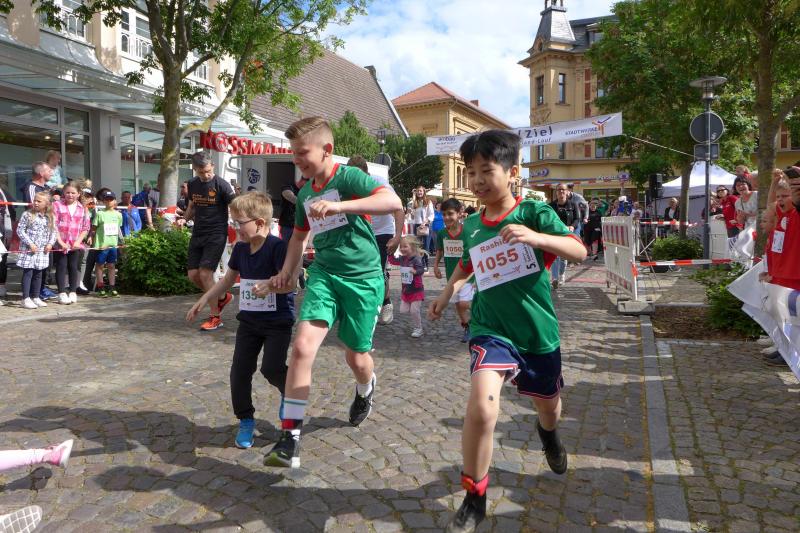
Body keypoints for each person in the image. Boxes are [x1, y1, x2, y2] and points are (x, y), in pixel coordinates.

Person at [427, 130, 586, 531]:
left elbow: (579, 250)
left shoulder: (533, 213)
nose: (477, 180)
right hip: (489, 327)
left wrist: (535, 237)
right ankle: (475, 496)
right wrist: (447, 293)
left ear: (512, 172)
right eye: (471, 172)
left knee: (548, 407)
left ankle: (549, 436)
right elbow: (467, 266)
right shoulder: (473, 224)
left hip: (536, 332)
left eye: (487, 170)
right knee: (482, 407)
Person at [261, 116, 401, 468]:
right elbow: (297, 238)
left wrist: (341, 205)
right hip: (324, 274)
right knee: (302, 347)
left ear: (327, 150)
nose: (297, 160)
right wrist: (288, 271)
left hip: (363, 279)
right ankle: (290, 437)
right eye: (293, 154)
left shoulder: (349, 177)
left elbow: (392, 201)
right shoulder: (306, 193)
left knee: (355, 357)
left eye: (302, 153)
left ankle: (365, 387)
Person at [187, 192, 295, 449]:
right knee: (239, 372)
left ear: (259, 222)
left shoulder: (278, 248)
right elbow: (227, 280)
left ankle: (288, 391)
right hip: (249, 322)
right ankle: (245, 419)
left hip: (277, 321)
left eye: (239, 223)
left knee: (272, 368)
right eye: (233, 222)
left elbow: (290, 284)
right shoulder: (241, 248)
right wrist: (205, 298)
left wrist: (270, 286)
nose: (236, 228)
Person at [346, 155, 403, 326]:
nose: (355, 181)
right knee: (359, 268)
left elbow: (399, 209)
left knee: (378, 270)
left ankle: (386, 303)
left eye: (358, 176)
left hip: (383, 232)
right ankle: (364, 305)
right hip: (361, 232)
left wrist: (397, 237)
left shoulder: (380, 184)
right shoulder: (347, 185)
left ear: (366, 173)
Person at [184, 152, 236, 331]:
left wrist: (239, 231)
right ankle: (221, 297)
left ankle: (215, 317)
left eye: (207, 171)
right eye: (201, 172)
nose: (205, 175)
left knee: (205, 274)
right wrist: (184, 219)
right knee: (193, 275)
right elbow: (192, 206)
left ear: (212, 166)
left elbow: (235, 207)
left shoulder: (222, 185)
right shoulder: (192, 184)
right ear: (194, 169)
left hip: (216, 233)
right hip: (198, 232)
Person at [434, 197, 474, 342]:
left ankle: (479, 320)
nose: (446, 217)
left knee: (464, 303)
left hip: (467, 275)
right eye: (444, 214)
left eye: (450, 213)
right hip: (451, 275)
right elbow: (439, 250)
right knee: (458, 304)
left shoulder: (467, 232)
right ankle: (467, 326)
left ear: (459, 213)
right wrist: (436, 265)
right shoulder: (442, 233)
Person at [16, 191, 57, 309]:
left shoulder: (51, 217)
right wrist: (30, 243)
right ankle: (25, 298)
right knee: (28, 273)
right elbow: (20, 230)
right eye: (35, 200)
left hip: (42, 251)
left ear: (47, 203)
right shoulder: (27, 214)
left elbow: (54, 232)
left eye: (39, 201)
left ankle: (36, 296)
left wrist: (50, 244)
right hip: (29, 250)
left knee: (39, 274)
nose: (36, 203)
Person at [52, 182, 90, 305]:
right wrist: (60, 241)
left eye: (73, 193)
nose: (70, 195)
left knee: (74, 267)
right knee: (61, 266)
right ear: (63, 192)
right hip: (60, 243)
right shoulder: (57, 205)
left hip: (75, 243)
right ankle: (61, 293)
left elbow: (86, 227)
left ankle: (73, 291)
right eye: (68, 192)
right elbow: (53, 225)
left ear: (78, 194)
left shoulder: (82, 208)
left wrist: (78, 241)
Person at [386, 235, 426, 337]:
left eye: (405, 246)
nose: (402, 249)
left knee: (414, 311)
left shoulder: (416, 259)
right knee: (403, 310)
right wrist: (390, 252)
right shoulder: (403, 259)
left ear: (412, 247)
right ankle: (416, 320)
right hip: (406, 289)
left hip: (416, 290)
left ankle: (418, 328)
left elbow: (421, 270)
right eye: (401, 247)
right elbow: (393, 261)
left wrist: (415, 271)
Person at [92, 190, 123, 298]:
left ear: (115, 201)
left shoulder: (118, 215)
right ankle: (101, 287)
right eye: (107, 199)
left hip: (113, 245)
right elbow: (94, 229)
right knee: (100, 265)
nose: (109, 201)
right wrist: (92, 240)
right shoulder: (100, 214)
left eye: (111, 199)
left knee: (111, 265)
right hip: (101, 245)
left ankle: (112, 287)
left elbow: (118, 229)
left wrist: (121, 242)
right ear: (103, 201)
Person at [549, 184, 581, 288]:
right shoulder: (551, 205)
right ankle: (554, 278)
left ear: (567, 191)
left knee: (563, 257)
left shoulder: (573, 204)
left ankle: (561, 274)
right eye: (559, 190)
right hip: (555, 233)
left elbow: (577, 219)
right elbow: (548, 219)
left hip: (567, 233)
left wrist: (572, 226)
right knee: (555, 256)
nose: (561, 191)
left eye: (563, 189)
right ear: (556, 192)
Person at [409, 186, 434, 267]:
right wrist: (411, 213)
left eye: (421, 191)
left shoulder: (428, 202)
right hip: (417, 225)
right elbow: (413, 217)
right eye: (418, 191)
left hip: (426, 225)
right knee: (418, 246)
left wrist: (425, 222)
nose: (419, 192)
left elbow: (431, 215)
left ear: (424, 192)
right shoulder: (414, 202)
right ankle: (420, 263)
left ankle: (426, 264)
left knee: (426, 246)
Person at [0, 183, 17, 301]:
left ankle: (1, 285)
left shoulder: (3, 190)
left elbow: (12, 207)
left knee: (2, 260)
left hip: (3, 231)